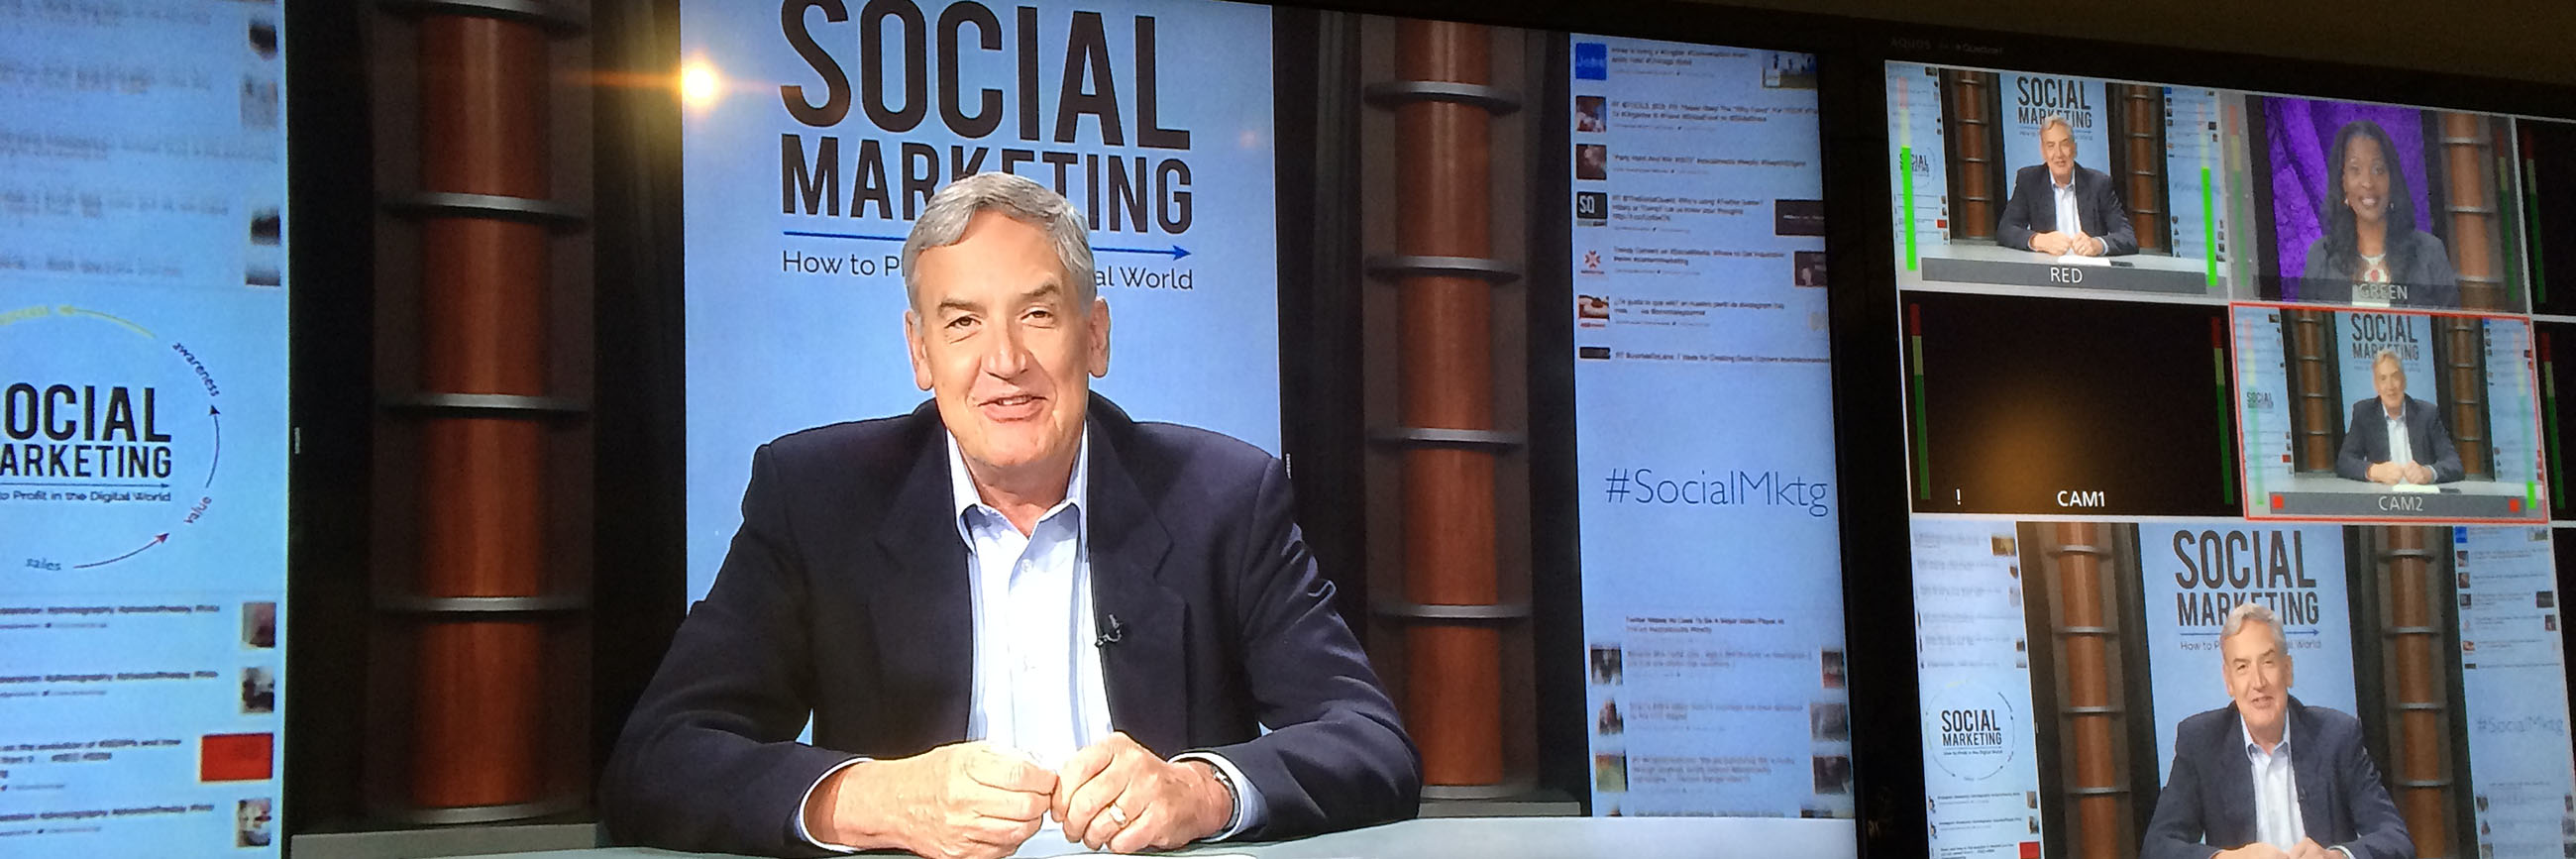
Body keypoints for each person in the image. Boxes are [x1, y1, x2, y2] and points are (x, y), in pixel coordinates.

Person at [600, 172, 1420, 858]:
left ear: (1093, 337)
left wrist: (1202, 789)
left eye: (1038, 313)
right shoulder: (816, 496)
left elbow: (1371, 742)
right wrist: (875, 796)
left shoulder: (1225, 497)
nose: (1005, 362)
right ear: (921, 353)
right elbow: (656, 759)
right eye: (962, 323)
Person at [2141, 603, 2410, 859]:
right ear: (2228, 681)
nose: (2258, 682)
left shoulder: (2337, 736)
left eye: (2268, 662)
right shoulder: (2201, 743)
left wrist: (2335, 856)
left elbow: (2395, 839)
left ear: (2288, 670)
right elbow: (2158, 847)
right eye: (2242, 667)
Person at [2297, 120, 2459, 308]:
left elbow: (2452, 331)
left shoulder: (2430, 252)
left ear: (2392, 179)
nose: (2368, 182)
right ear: (2343, 182)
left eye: (2378, 170)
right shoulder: (2321, 257)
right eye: (2355, 170)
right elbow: (2307, 332)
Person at [1995, 114, 2137, 259]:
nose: (2058, 154)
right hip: (2045, 272)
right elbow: (2005, 230)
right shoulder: (2029, 181)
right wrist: (2038, 240)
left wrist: (2098, 244)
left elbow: (2127, 237)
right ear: (2043, 151)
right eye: (2051, 146)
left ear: (2074, 148)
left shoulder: (2098, 183)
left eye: (2064, 144)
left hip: (2091, 272)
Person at [2334, 349, 2463, 484]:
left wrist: (2429, 473)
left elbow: (2454, 464)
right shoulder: (2365, 414)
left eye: (2394, 376)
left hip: (2423, 499)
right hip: (2381, 500)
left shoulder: (2427, 414)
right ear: (2376, 386)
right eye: (2383, 379)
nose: (2390, 386)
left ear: (2403, 380)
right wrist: (2374, 471)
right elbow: (2344, 462)